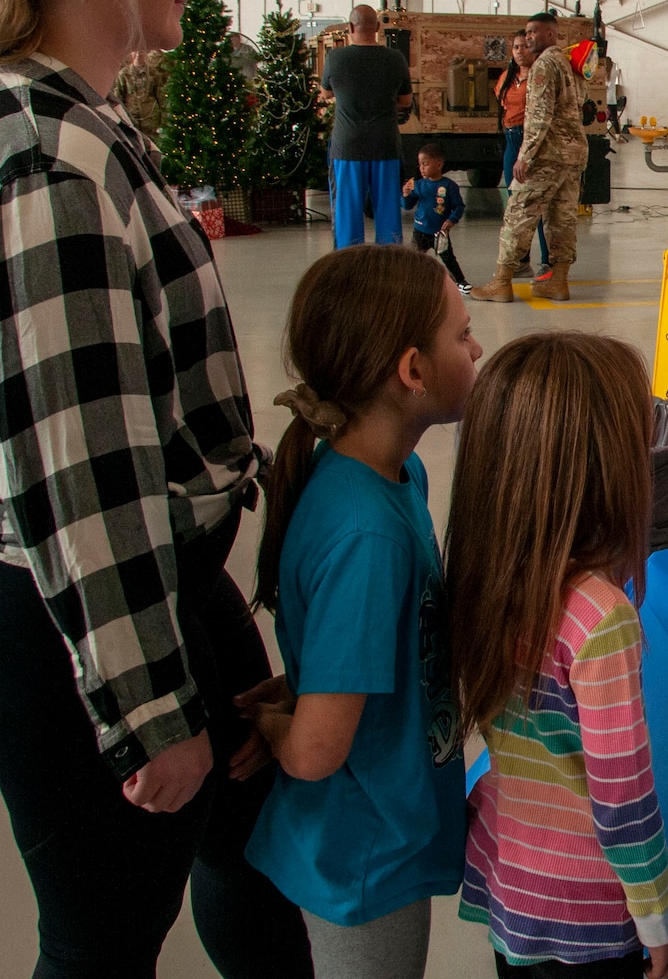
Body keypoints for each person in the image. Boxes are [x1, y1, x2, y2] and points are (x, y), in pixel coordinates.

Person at [0, 0, 311, 977]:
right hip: (65, 605)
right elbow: (79, 471)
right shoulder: (42, 162)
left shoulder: (68, 113)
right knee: (103, 934)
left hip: (135, 577)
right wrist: (148, 709)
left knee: (249, 847)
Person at [240, 245, 482, 979]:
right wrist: (274, 724)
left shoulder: (390, 473)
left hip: (382, 830)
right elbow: (316, 752)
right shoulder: (366, 534)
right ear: (411, 371)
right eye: (462, 335)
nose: (476, 349)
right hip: (364, 858)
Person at [446, 331, 668, 978]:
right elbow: (622, 799)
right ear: (608, 469)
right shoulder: (601, 616)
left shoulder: (485, 576)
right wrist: (659, 917)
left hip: (511, 889)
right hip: (589, 920)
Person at [468, 12, 587, 303]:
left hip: (547, 155)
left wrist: (525, 155)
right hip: (572, 154)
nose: (529, 36)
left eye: (535, 32)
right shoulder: (568, 64)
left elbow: (538, 116)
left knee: (519, 214)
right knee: (562, 219)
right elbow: (580, 100)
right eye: (527, 33)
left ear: (551, 34)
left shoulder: (544, 65)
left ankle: (501, 282)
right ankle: (558, 282)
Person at [323, 4, 413, 248]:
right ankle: (389, 268)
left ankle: (349, 267)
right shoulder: (395, 58)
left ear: (351, 27)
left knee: (347, 213)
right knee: (388, 213)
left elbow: (325, 93)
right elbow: (405, 100)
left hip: (347, 148)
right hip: (385, 145)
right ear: (378, 27)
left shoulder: (336, 58)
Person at [495, 30, 548, 275]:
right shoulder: (508, 77)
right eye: (515, 47)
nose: (519, 51)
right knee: (515, 204)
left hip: (531, 140)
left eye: (524, 47)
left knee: (537, 205)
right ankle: (521, 260)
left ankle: (547, 261)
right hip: (511, 139)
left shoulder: (540, 77)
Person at [403, 141, 471, 292]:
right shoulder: (418, 185)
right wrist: (406, 194)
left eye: (425, 164)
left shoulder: (449, 186)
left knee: (447, 257)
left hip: (439, 232)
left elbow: (459, 206)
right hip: (420, 229)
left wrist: (452, 220)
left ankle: (460, 280)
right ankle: (410, 281)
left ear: (439, 164)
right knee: (414, 258)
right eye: (420, 164)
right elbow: (407, 205)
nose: (421, 168)